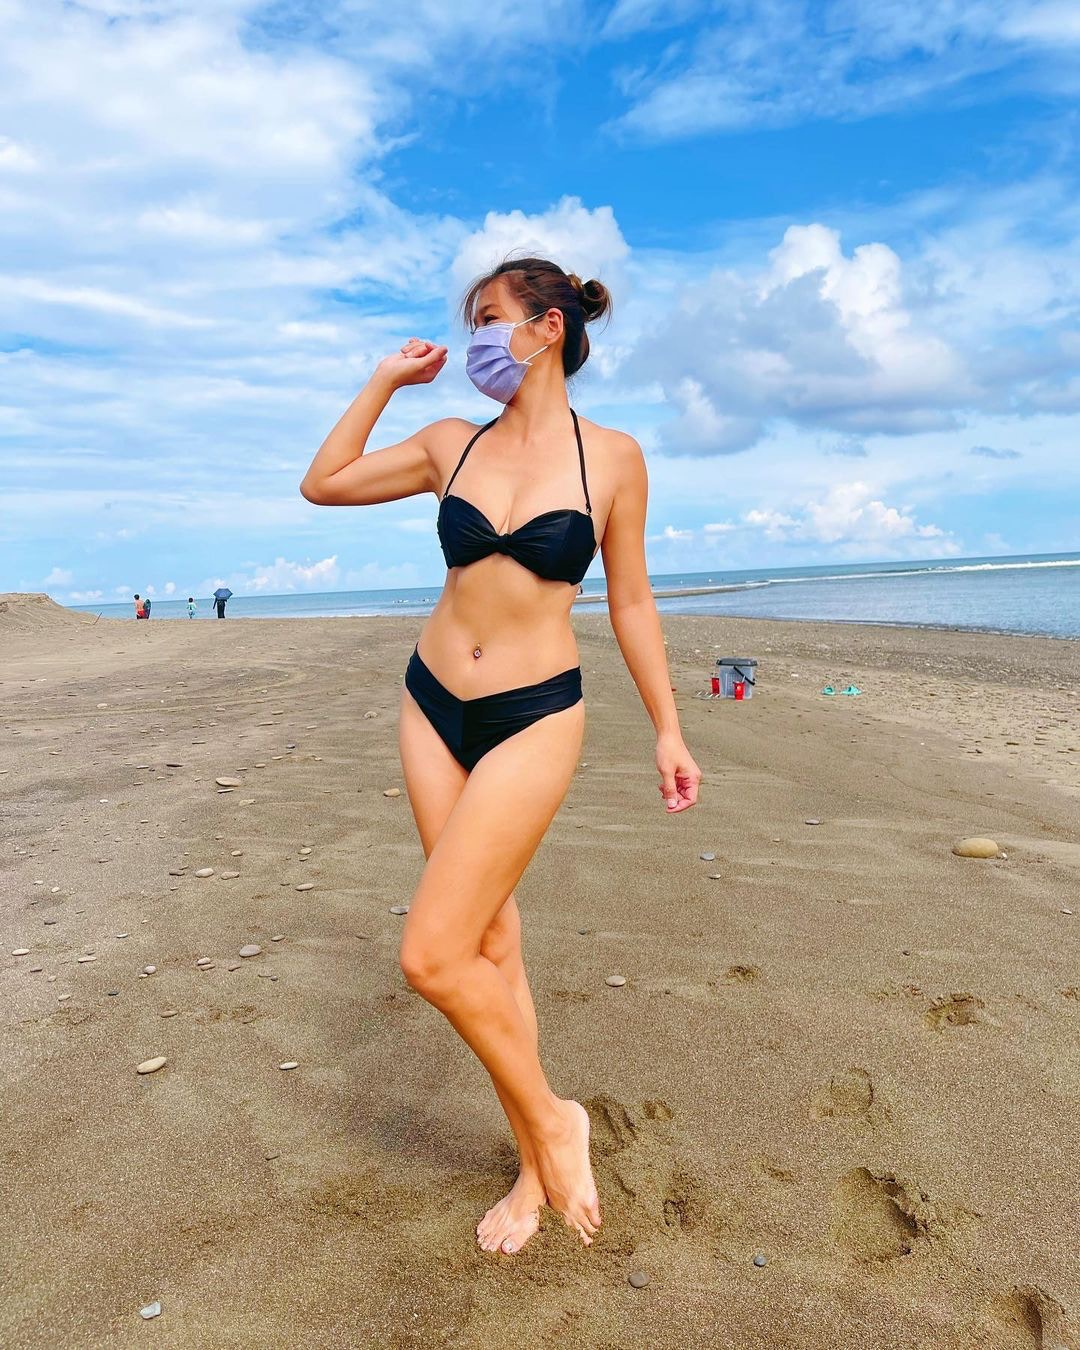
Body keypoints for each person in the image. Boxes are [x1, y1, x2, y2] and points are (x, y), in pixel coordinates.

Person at [300, 255, 702, 1259]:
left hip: (534, 714)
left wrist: (668, 727)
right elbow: (324, 483)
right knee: (488, 945)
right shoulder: (451, 443)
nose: (475, 337)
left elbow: (631, 600)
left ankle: (557, 1123)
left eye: (489, 318)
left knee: (431, 955)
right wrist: (386, 380)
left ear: (547, 328)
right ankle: (533, 1161)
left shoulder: (613, 459)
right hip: (430, 704)